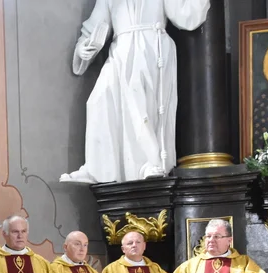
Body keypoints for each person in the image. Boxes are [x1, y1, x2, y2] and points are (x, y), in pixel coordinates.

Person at [60, 0, 209, 183]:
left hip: (150, 49)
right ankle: (97, 167)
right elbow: (96, 24)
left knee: (142, 108)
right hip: (121, 51)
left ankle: (150, 163)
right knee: (98, 100)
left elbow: (183, 14)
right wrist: (83, 46)